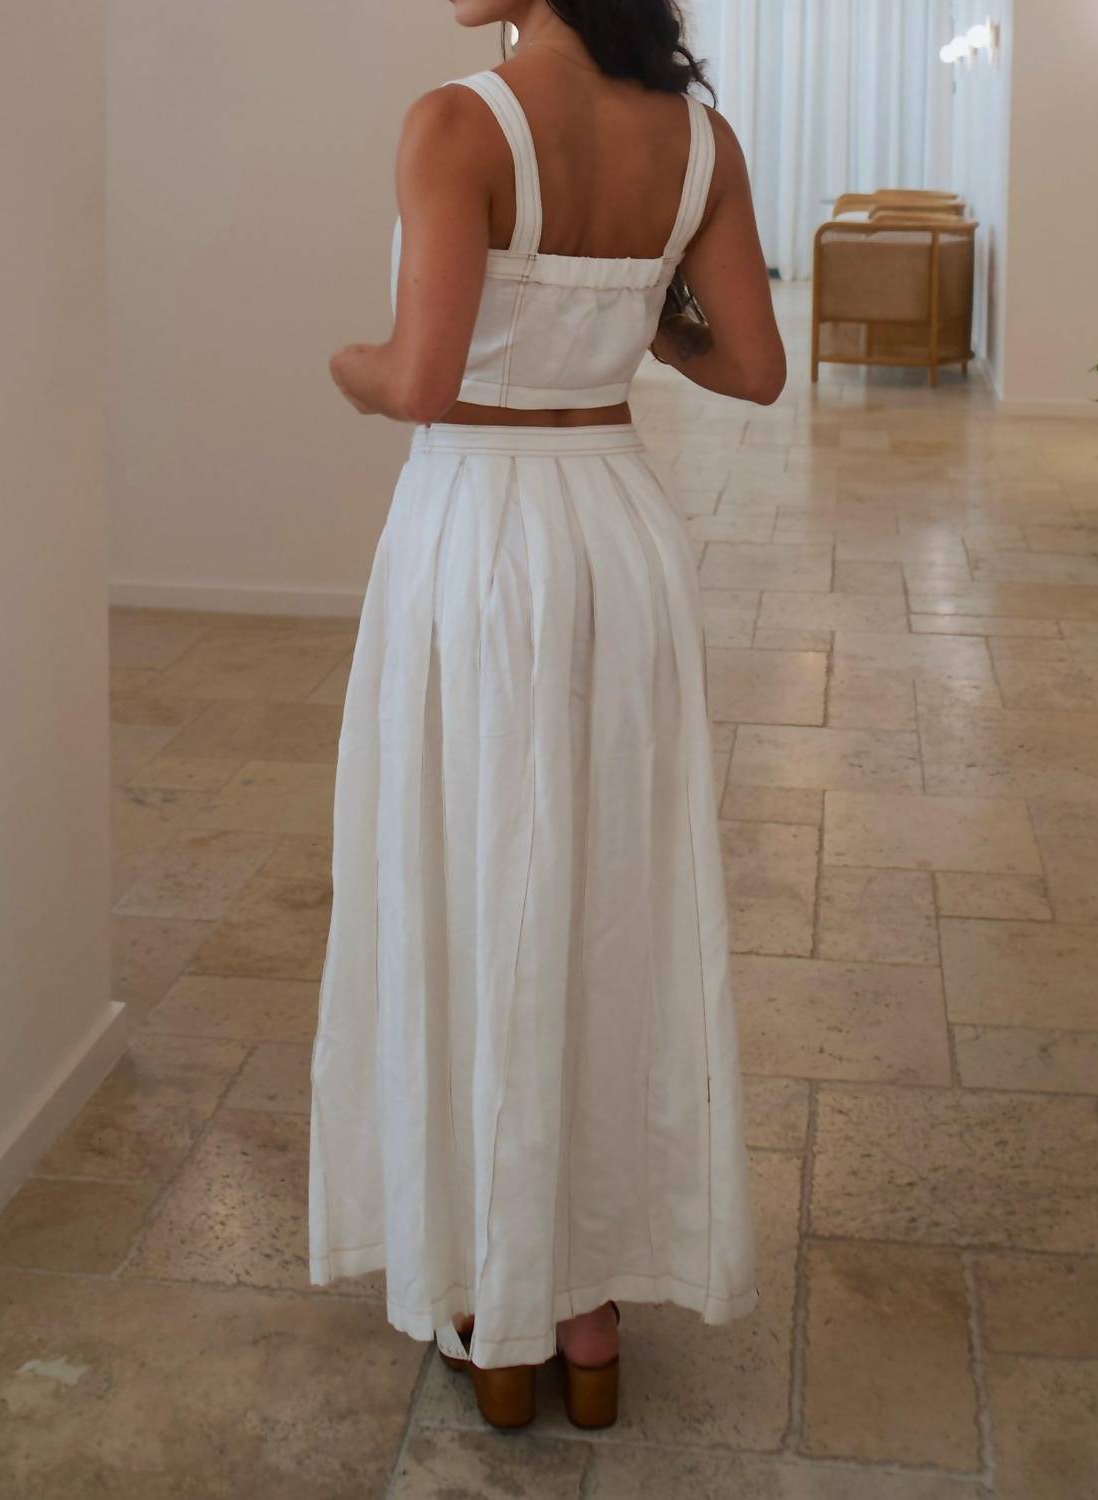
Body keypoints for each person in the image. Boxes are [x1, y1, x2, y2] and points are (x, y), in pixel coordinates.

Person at [308, 0, 786, 1431]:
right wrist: (632, 315)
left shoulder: (458, 124)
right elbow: (753, 365)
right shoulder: (700, 142)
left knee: (471, 887)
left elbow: (418, 377)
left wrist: (343, 364)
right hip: (619, 537)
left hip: (479, 528)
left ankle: (494, 1300)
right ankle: (584, 1310)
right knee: (603, 896)